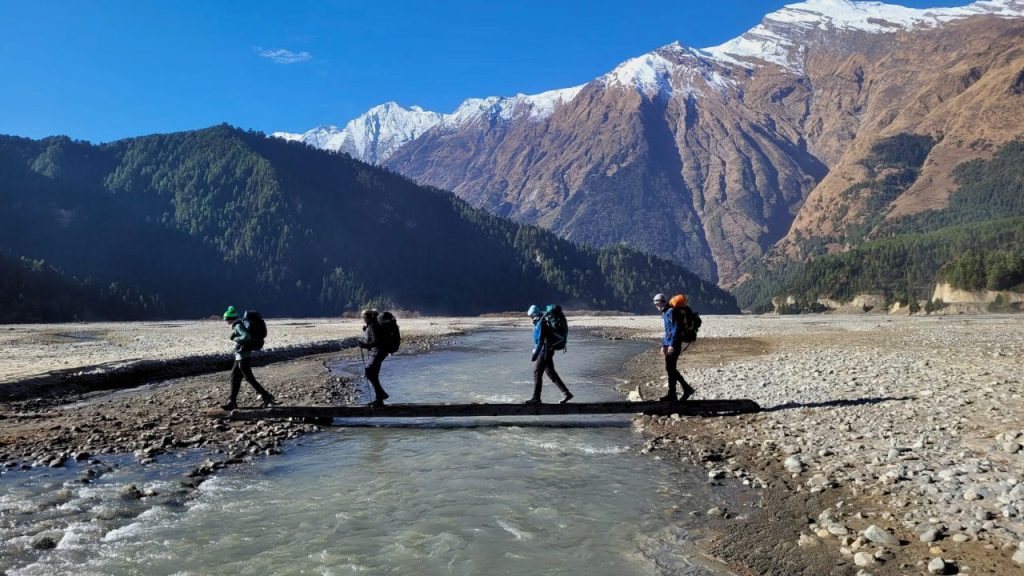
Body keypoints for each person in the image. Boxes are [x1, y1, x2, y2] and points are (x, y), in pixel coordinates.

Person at [220, 306, 276, 410]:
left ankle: (266, 396)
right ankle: (232, 401)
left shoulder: (237, 326)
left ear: (229, 319)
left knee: (248, 377)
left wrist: (235, 338)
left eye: (226, 319)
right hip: (240, 355)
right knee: (235, 378)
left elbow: (246, 337)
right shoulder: (239, 324)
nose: (225, 321)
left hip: (243, 355)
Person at [525, 304, 573, 405]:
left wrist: (534, 355)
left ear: (534, 314)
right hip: (548, 350)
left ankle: (536, 398)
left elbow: (541, 341)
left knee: (537, 372)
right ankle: (566, 393)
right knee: (551, 373)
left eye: (530, 316)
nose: (530, 319)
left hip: (545, 351)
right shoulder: (540, 321)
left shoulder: (541, 323)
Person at [653, 293, 695, 403]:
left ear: (663, 302)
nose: (656, 305)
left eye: (658, 303)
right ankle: (675, 393)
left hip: (674, 345)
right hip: (668, 344)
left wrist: (672, 344)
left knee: (671, 369)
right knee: (670, 369)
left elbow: (676, 328)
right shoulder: (666, 313)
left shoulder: (671, 312)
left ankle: (682, 390)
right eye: (655, 303)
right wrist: (663, 345)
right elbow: (667, 331)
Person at [358, 308, 390, 407]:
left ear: (367, 318)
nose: (363, 319)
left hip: (377, 353)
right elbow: (374, 338)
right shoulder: (372, 325)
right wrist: (366, 329)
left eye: (363, 317)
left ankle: (381, 395)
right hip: (379, 353)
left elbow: (376, 341)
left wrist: (365, 345)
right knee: (372, 374)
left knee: (369, 372)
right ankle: (379, 399)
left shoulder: (373, 326)